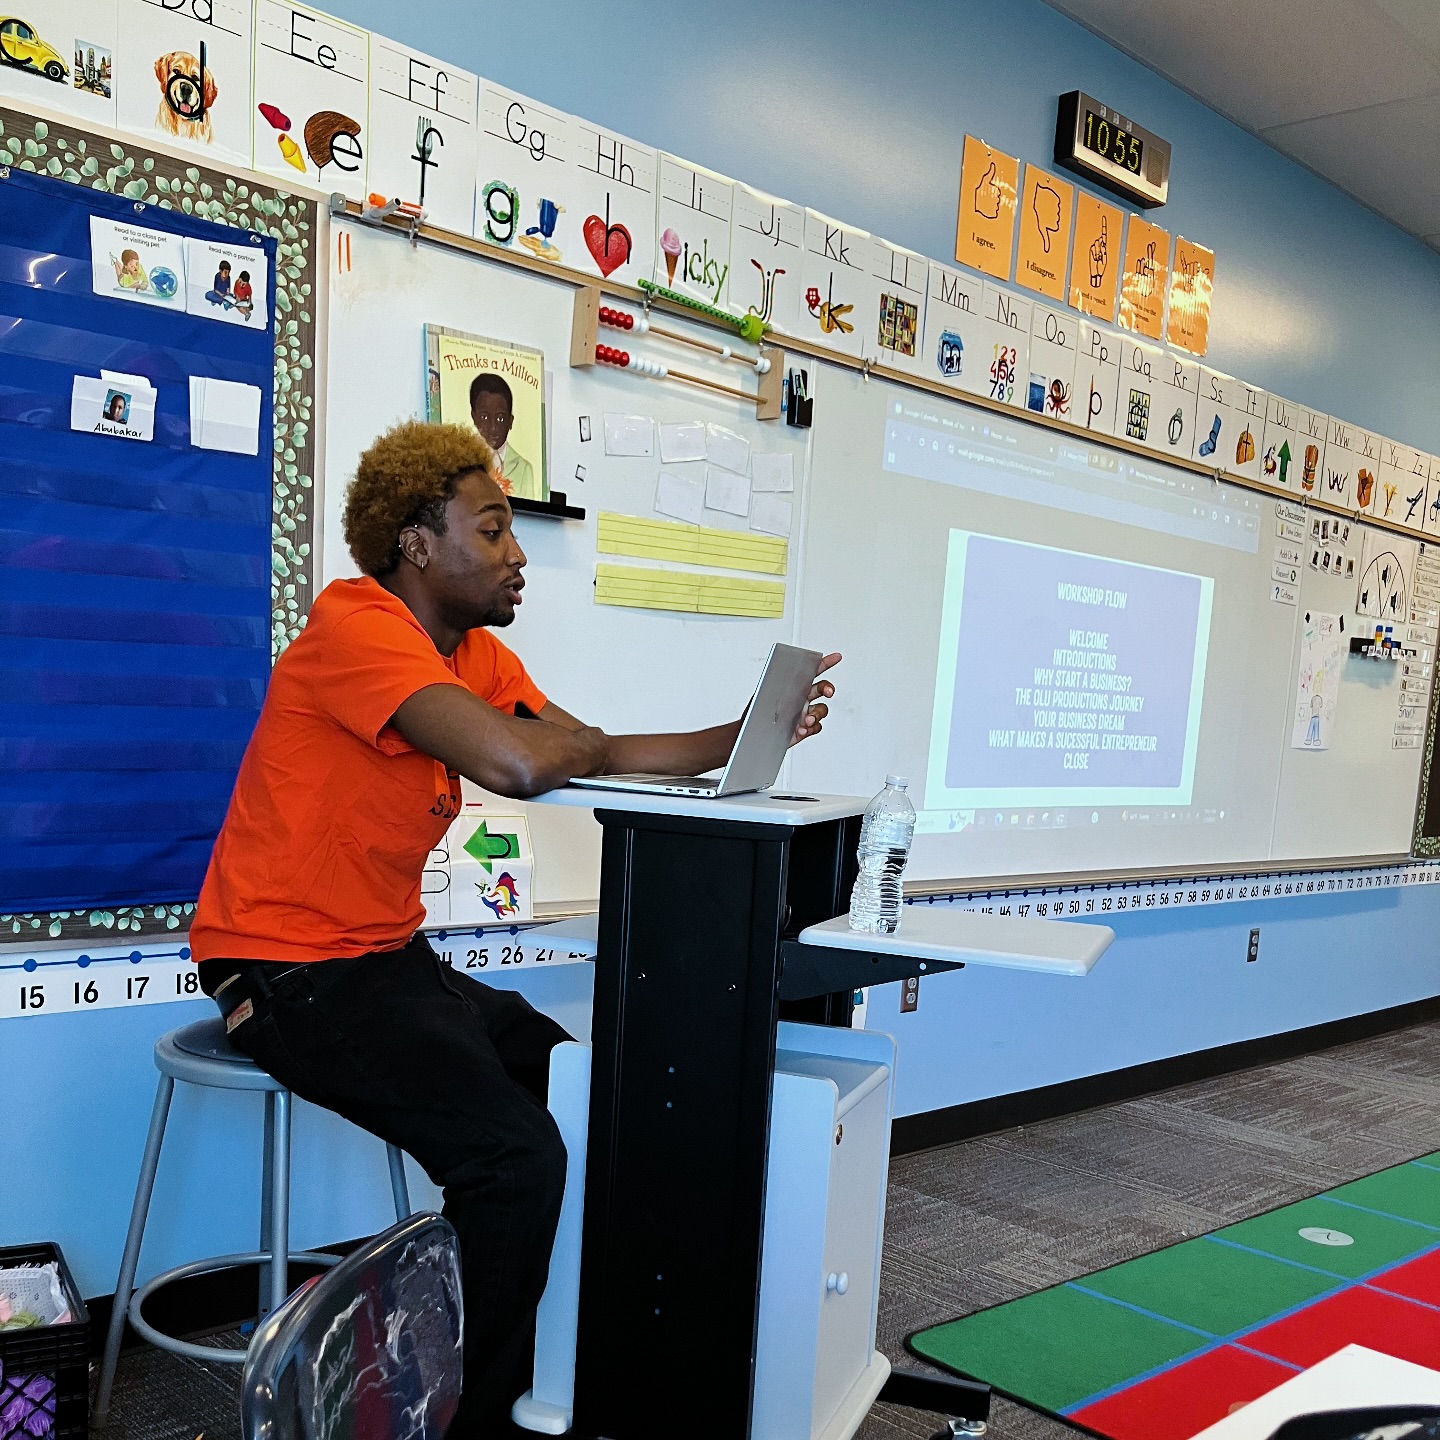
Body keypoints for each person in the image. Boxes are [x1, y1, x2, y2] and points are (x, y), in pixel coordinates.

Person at [189, 419, 838, 1435]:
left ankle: (565, 1367)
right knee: (515, 1158)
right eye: (492, 529)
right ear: (416, 543)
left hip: (384, 958)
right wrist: (556, 742)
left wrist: (754, 728)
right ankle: (469, 1421)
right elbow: (525, 765)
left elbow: (597, 748)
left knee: (580, 1087)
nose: (518, 552)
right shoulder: (357, 629)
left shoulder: (472, 656)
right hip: (286, 973)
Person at [469, 373, 536, 499]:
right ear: (474, 418)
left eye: (500, 418)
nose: (493, 427)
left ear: (510, 421)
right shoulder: (466, 466)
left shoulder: (524, 469)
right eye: (484, 417)